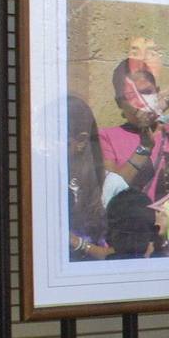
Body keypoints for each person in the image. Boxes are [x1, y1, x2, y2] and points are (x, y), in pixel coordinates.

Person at [98, 59, 169, 202]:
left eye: (147, 93)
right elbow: (111, 193)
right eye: (131, 96)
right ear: (119, 103)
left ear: (157, 93)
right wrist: (144, 148)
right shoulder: (106, 137)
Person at [66, 95, 116, 261]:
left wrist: (77, 243)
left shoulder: (111, 186)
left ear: (80, 141)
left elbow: (127, 253)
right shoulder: (41, 182)